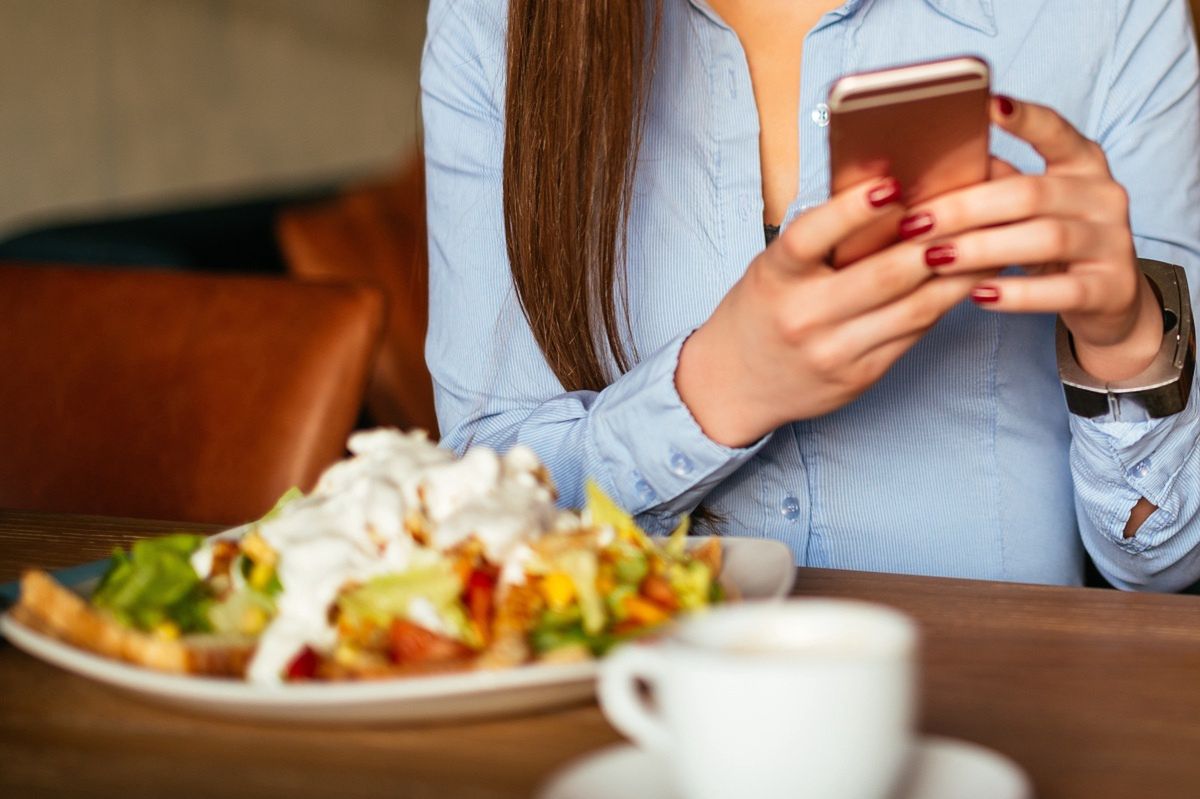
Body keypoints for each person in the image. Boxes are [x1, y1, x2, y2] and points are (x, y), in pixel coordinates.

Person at [421, 0, 1200, 590]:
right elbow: (465, 513)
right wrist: (718, 386)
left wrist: (1126, 341)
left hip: (998, 718)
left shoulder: (1108, 15)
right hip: (632, 711)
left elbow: (1163, 562)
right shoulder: (494, 23)